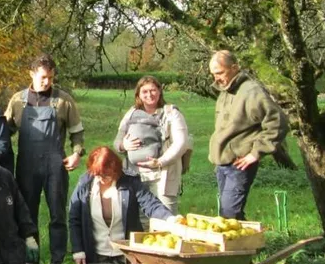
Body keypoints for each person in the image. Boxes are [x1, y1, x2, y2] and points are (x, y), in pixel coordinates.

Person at [4, 53, 85, 264]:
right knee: (27, 214)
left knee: (57, 215)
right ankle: (31, 261)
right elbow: (3, 132)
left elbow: (77, 132)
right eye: (42, 77)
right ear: (31, 74)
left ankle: (57, 263)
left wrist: (76, 153)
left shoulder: (63, 100)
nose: (46, 81)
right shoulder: (18, 101)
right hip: (26, 166)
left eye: (50, 77)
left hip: (55, 166)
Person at [208, 50, 288, 220]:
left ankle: (248, 246)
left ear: (234, 68)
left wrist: (255, 153)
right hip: (222, 163)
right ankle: (245, 245)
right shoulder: (225, 90)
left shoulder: (251, 92)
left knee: (230, 213)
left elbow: (277, 122)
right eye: (213, 74)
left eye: (220, 73)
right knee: (227, 214)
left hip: (240, 163)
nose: (216, 78)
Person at [69, 147, 182, 264]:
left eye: (106, 175)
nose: (102, 179)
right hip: (94, 256)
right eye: (98, 175)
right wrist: (78, 251)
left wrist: (170, 218)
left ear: (115, 169)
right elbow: (74, 218)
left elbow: (151, 204)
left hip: (127, 254)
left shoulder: (131, 181)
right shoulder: (84, 184)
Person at [114, 76, 192, 215]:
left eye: (153, 90)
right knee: (142, 219)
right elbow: (117, 142)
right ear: (138, 94)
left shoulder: (172, 113)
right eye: (145, 91)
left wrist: (160, 162)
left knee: (166, 216)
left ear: (159, 91)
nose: (149, 95)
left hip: (165, 174)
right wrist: (124, 145)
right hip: (136, 175)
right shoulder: (131, 114)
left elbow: (181, 143)